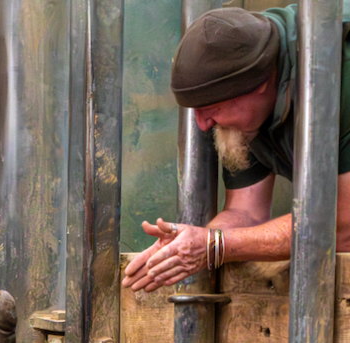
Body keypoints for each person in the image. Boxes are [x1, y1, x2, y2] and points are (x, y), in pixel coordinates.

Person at [122, 5, 350, 292]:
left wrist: (217, 246)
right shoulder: (245, 64)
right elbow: (246, 213)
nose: (202, 125)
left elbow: (342, 227)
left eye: (211, 108)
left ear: (261, 84)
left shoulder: (336, 66)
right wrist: (189, 245)